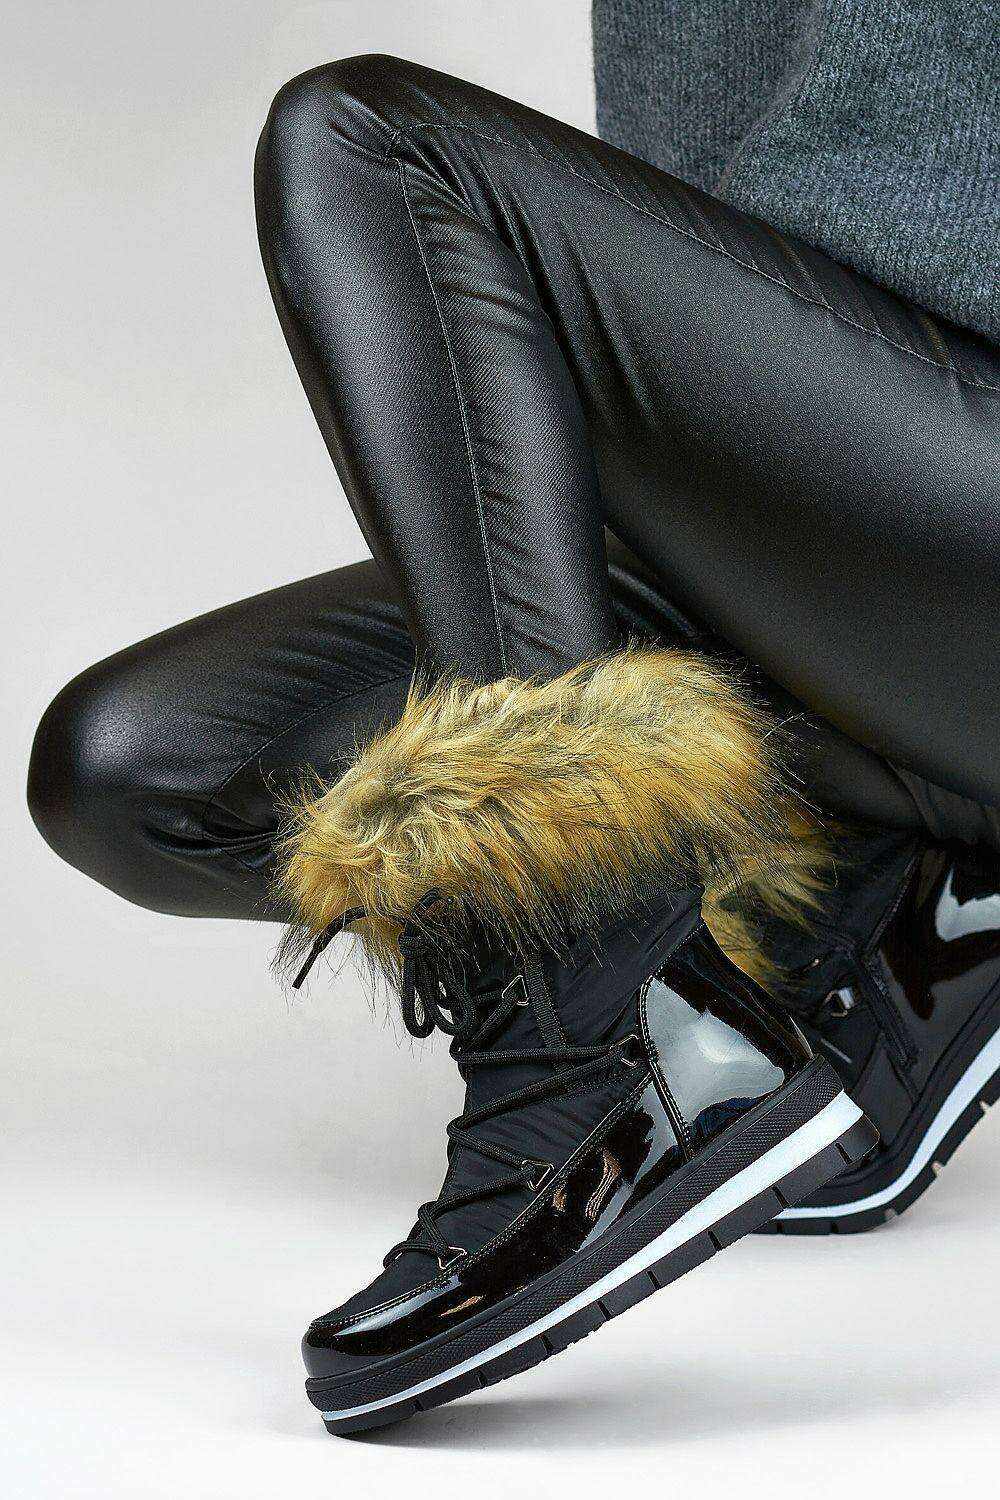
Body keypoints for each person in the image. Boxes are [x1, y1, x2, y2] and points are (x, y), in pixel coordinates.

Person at [27, 10, 1000, 1435]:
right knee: (139, 771)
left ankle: (610, 1008)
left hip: (950, 494)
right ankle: (905, 893)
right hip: (792, 533)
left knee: (370, 143)